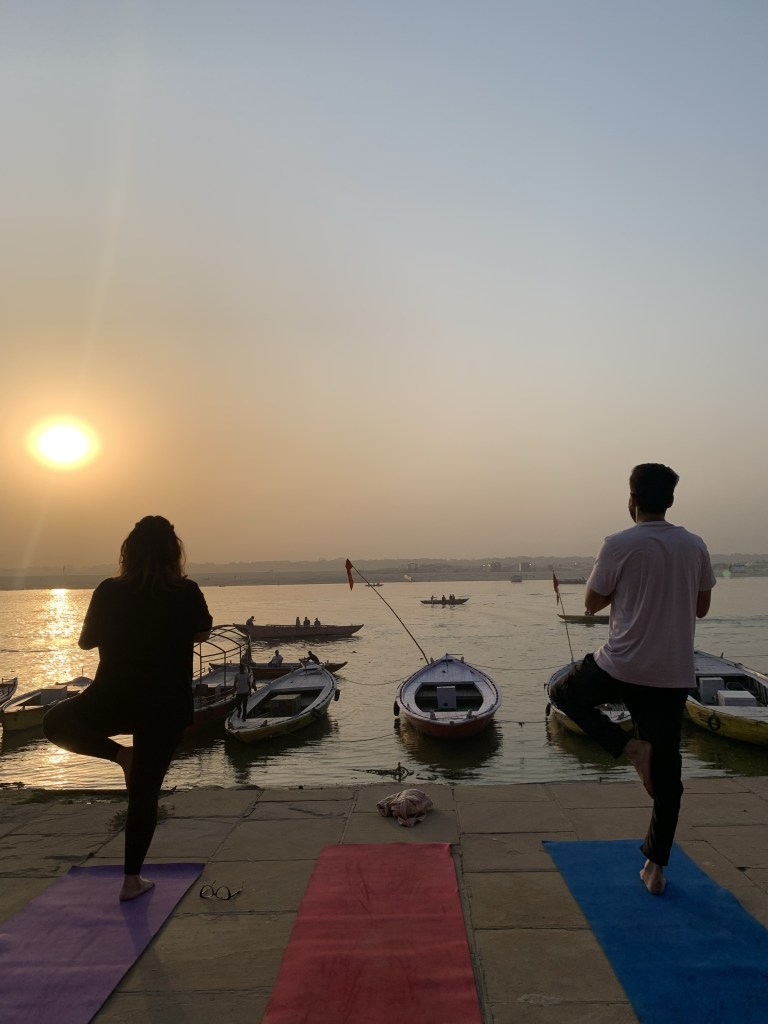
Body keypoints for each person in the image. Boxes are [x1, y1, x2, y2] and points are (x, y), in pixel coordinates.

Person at [549, 464, 715, 896]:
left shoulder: (619, 543)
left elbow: (589, 604)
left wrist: (623, 589)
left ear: (632, 501)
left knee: (563, 693)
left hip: (620, 665)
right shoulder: (695, 546)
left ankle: (627, 746)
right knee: (669, 776)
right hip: (672, 673)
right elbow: (701, 609)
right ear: (671, 501)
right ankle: (655, 868)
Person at [43, 516, 212, 902]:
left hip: (113, 698)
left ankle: (121, 756)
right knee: (144, 794)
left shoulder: (109, 590)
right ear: (175, 552)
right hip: (166, 704)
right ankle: (131, 880)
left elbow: (86, 643)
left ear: (128, 552)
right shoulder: (185, 591)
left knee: (54, 723)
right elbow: (202, 632)